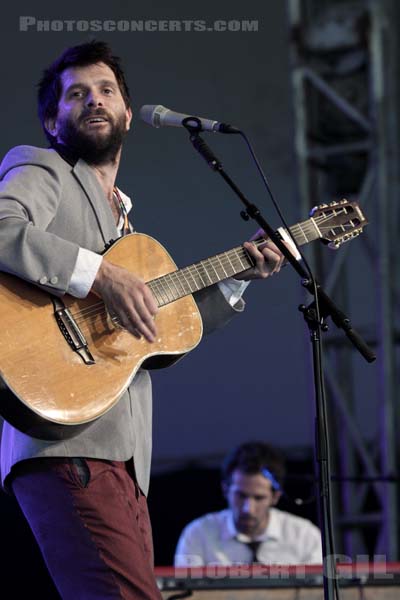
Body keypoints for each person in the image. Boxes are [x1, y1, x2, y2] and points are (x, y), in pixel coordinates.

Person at [0, 42, 286, 599]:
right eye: (76, 93)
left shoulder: (128, 226)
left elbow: (165, 332)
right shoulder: (43, 168)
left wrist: (238, 276)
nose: (94, 100)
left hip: (127, 465)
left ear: (130, 114)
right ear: (51, 118)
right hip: (66, 446)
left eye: (107, 90)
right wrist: (102, 277)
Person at [174, 441, 322, 566]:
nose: (248, 509)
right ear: (225, 490)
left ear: (275, 497)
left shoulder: (304, 536)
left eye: (258, 498)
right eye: (240, 495)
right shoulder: (198, 534)